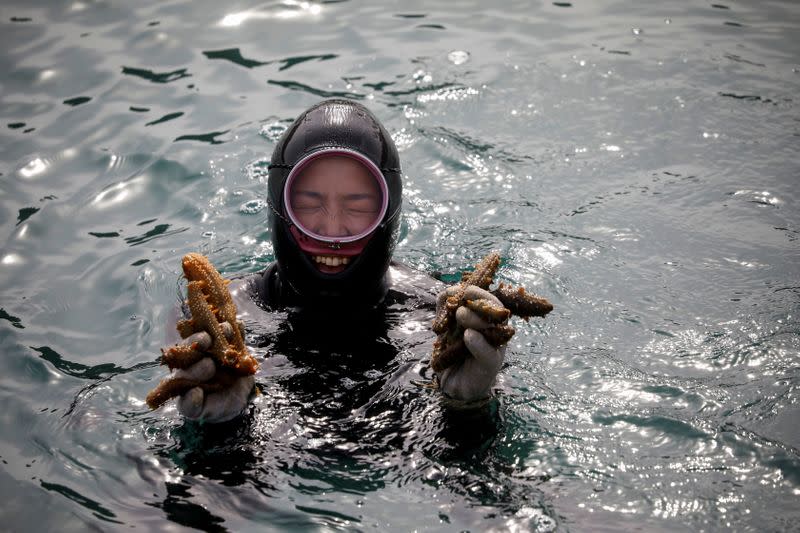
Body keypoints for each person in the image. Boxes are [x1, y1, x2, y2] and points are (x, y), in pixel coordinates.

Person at [167, 98, 511, 423]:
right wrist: (222, 426)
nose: (331, 232)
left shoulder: (437, 319)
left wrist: (469, 405)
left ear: (390, 213)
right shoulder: (222, 320)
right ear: (277, 206)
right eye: (308, 204)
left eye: (358, 206)